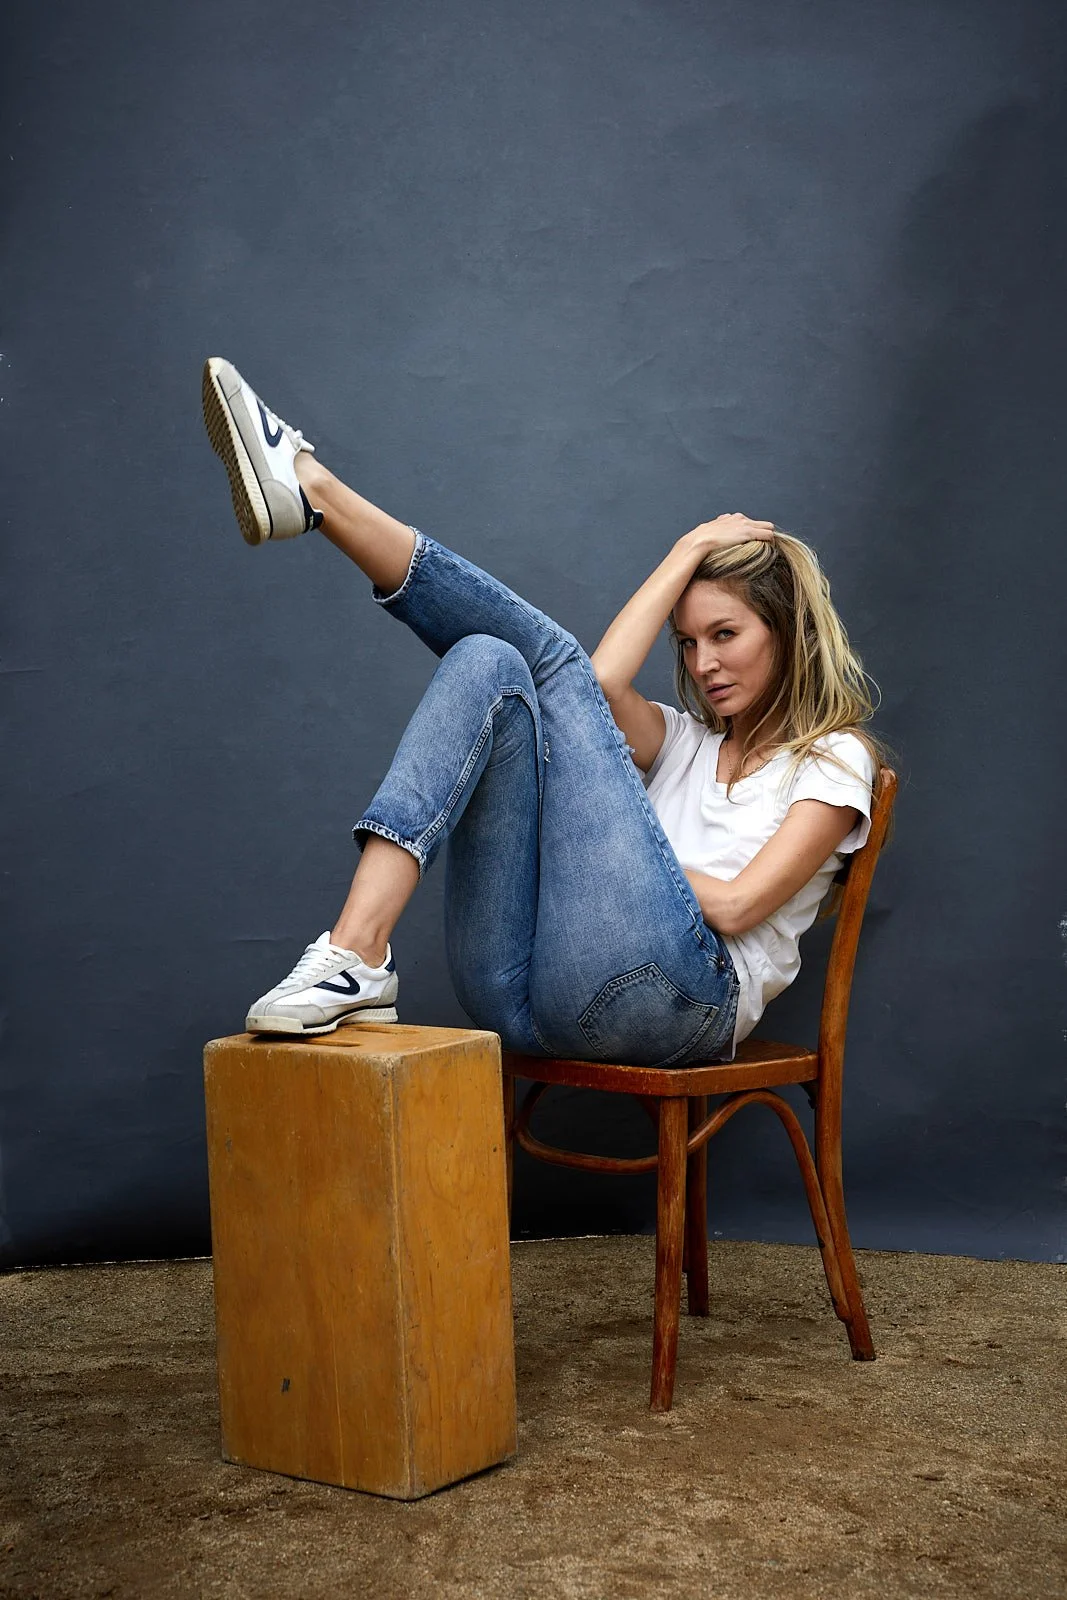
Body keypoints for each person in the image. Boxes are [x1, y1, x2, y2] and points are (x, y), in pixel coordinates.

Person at [202, 357, 889, 1068]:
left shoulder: (836, 759)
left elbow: (741, 906)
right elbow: (603, 687)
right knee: (486, 660)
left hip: (678, 1003)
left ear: (790, 633)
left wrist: (624, 854)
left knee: (555, 665)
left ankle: (314, 490)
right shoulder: (684, 743)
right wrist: (684, 552)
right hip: (526, 995)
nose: (702, 663)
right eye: (687, 643)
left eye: (725, 635)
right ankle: (357, 953)